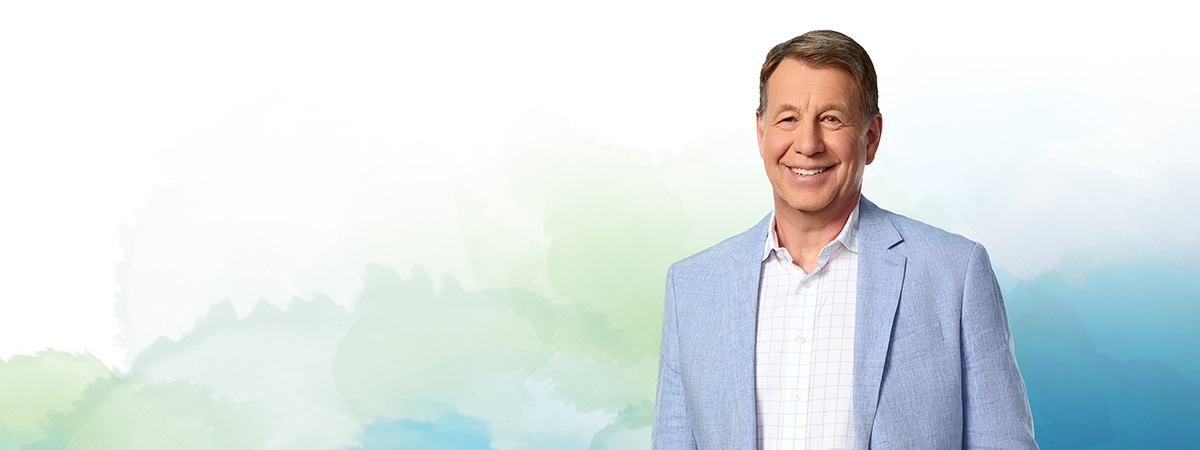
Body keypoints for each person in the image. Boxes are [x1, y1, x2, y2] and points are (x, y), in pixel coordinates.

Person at [651, 30, 1037, 450]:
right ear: (760, 132)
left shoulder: (955, 274)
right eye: (787, 118)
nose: (807, 144)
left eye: (831, 119)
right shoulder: (692, 287)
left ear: (870, 137)